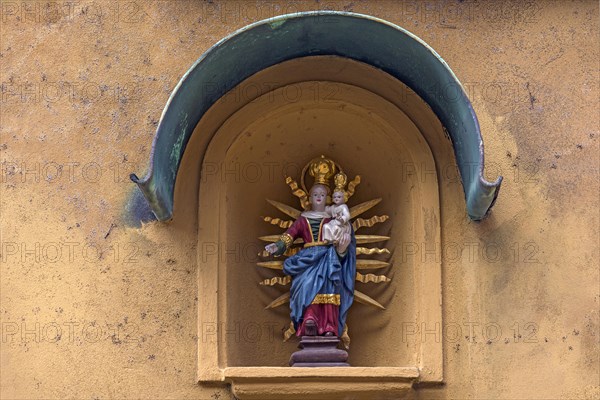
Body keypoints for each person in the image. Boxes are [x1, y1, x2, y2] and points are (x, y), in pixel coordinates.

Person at [265, 181, 356, 337]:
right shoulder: (303, 220)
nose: (319, 197)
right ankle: (309, 320)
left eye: (322, 195)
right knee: (307, 286)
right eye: (315, 194)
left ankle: (329, 326)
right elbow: (289, 236)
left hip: (328, 257)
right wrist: (277, 246)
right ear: (309, 199)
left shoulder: (333, 219)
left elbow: (344, 242)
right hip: (307, 259)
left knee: (329, 288)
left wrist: (342, 249)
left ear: (327, 198)